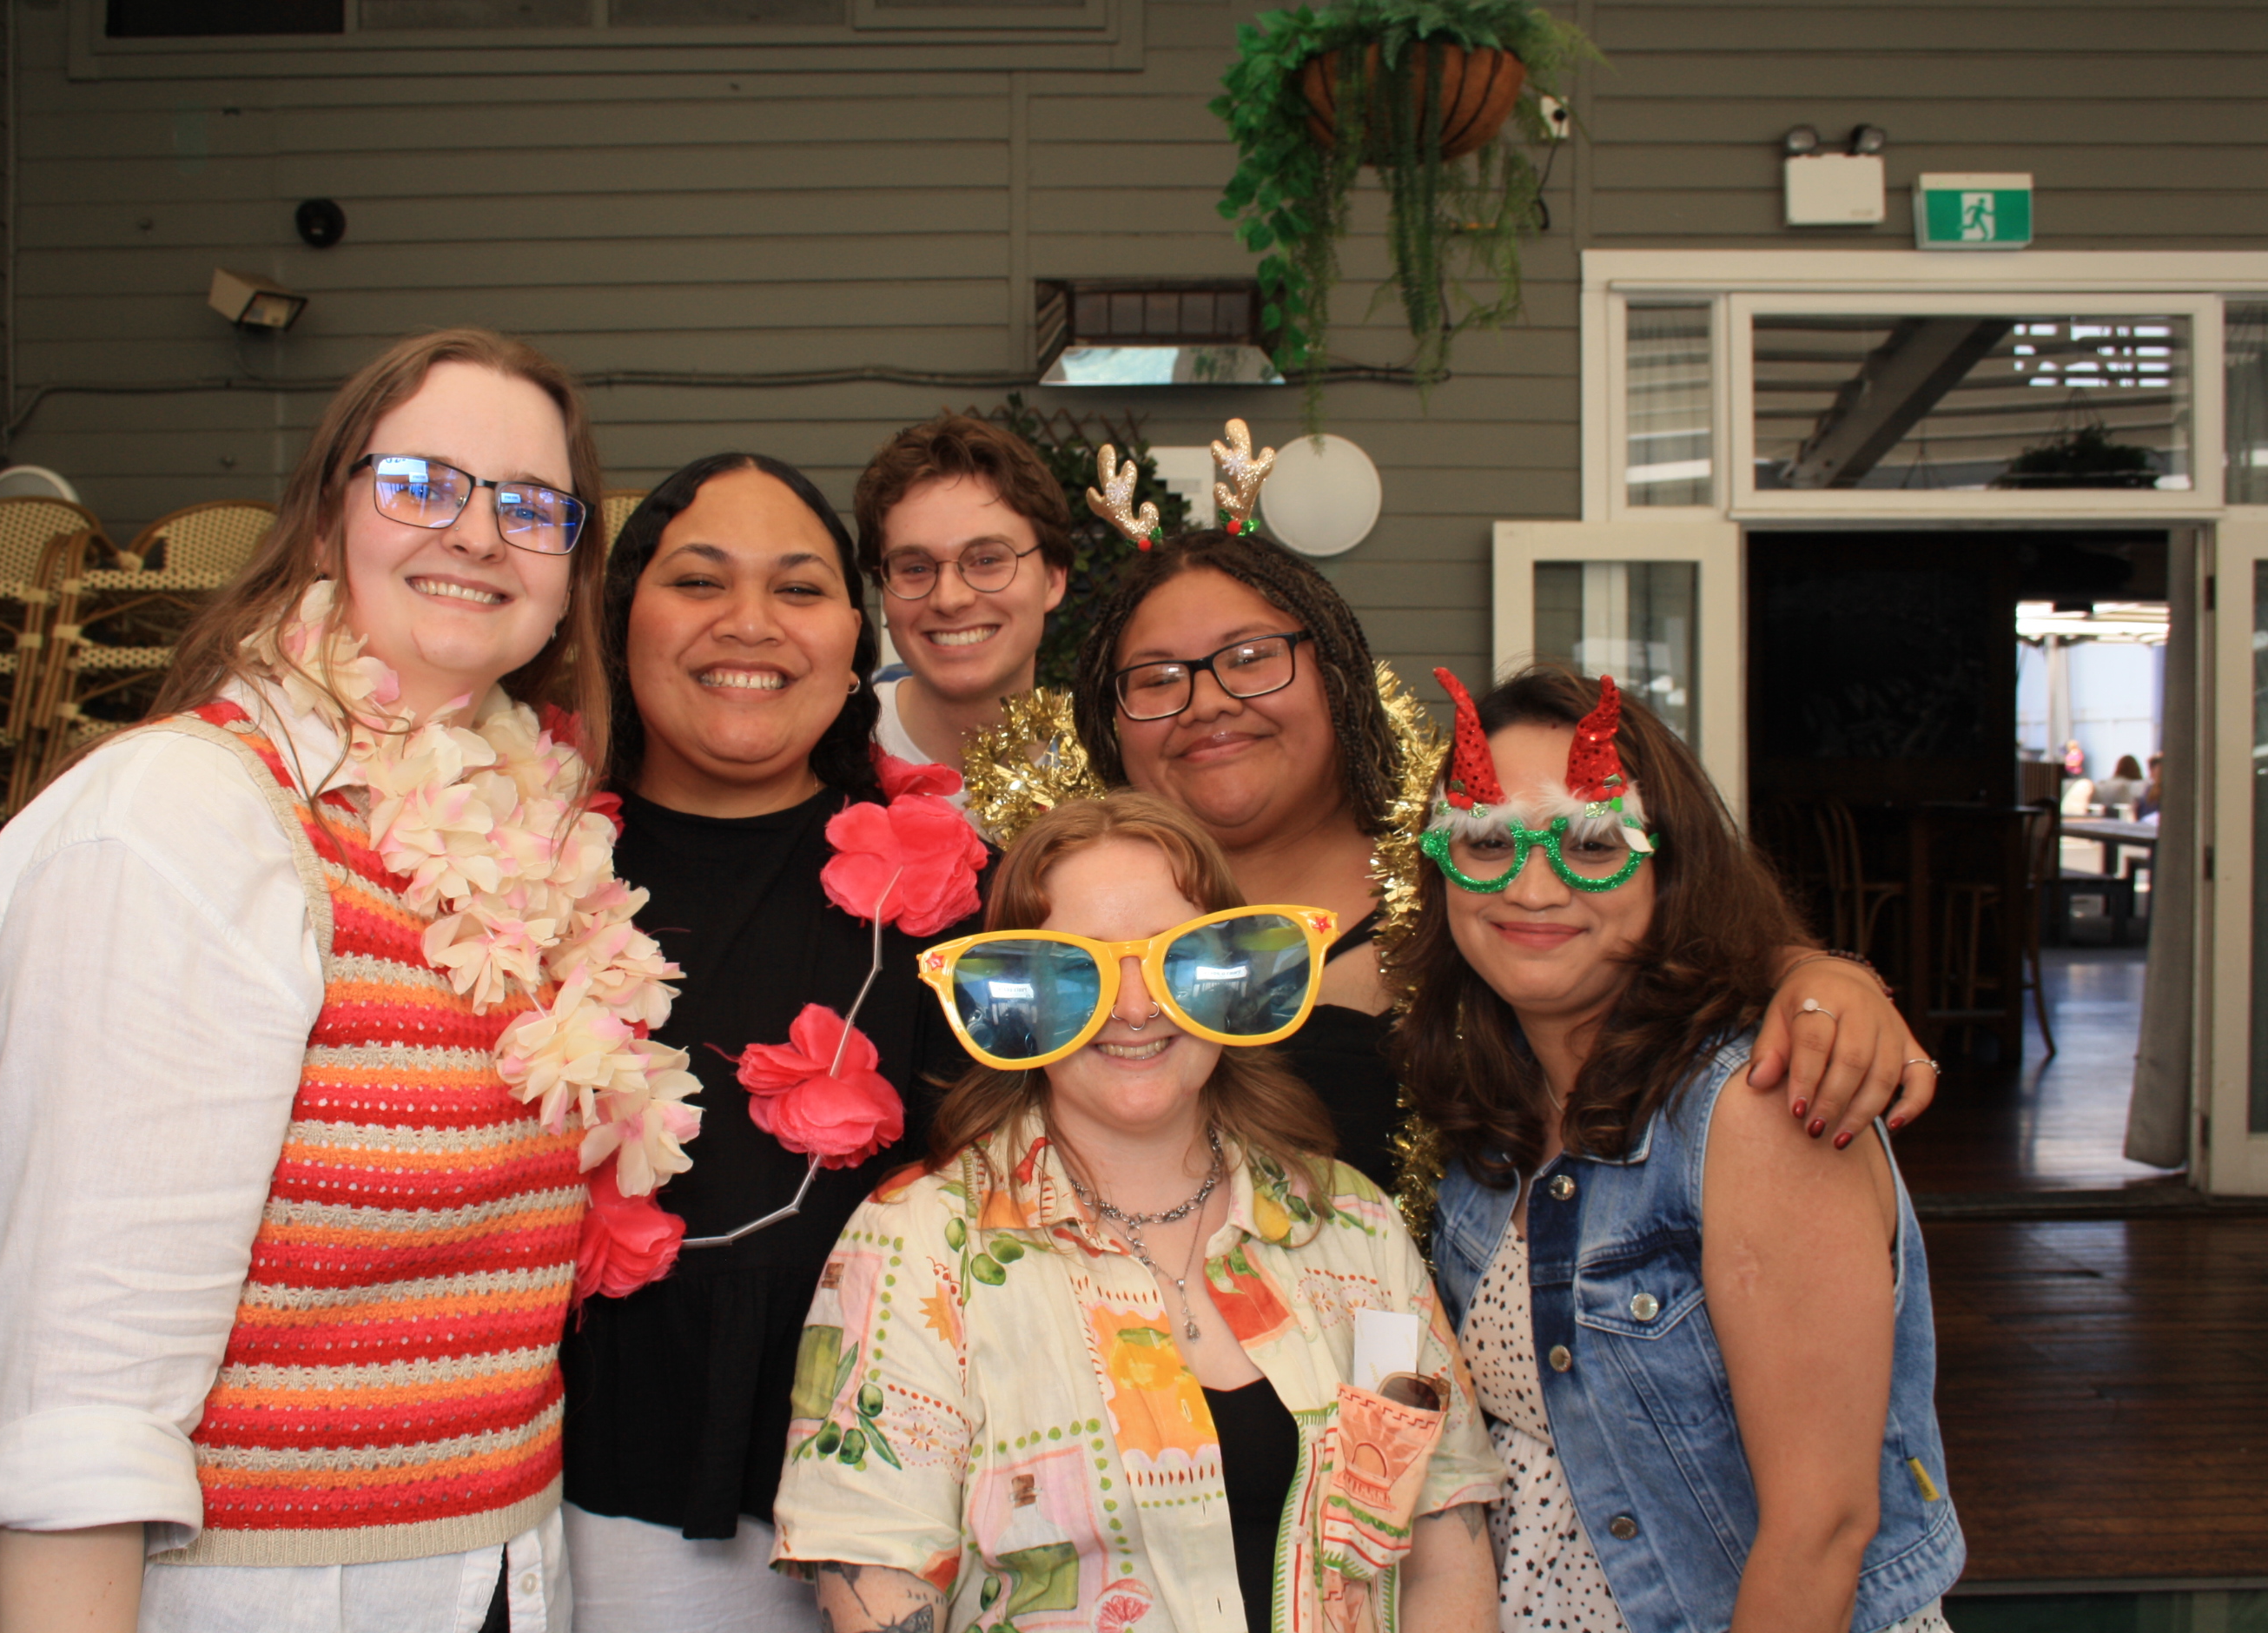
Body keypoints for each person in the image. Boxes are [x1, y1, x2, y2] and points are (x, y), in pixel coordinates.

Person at [0, 328, 629, 1633]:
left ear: (569, 576)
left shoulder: (537, 842)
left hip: (478, 1571)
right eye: (419, 485)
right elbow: (83, 1378)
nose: (478, 532)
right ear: (327, 522)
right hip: (225, 1595)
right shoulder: (184, 811)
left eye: (529, 506)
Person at [774, 793, 1505, 1633]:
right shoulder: (916, 1245)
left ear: (1232, 978)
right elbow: (880, 1591)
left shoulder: (1351, 1222)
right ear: (1018, 999)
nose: (1133, 1008)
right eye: (1076, 970)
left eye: (1178, 960)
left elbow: (1446, 1549)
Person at [1064, 519, 1935, 1188]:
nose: (1207, 701)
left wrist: (1816, 977)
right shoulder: (1073, 907)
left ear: (1336, 676)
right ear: (1110, 721)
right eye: (1155, 678)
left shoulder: (1474, 874)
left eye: (1252, 659)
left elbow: (1671, 941)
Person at [1398, 668, 1962, 1633]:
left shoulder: (1754, 1106)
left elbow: (1821, 1525)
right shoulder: (1498, 1116)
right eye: (1486, 840)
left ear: (1670, 863)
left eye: (1591, 842)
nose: (1532, 885)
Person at [557, 452, 991, 1632]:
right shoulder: (506, 864)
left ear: (855, 638)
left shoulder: (971, 900)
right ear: (620, 614)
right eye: (699, 582)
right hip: (540, 1510)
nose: (749, 624)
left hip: (890, 1523)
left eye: (799, 589)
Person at [854, 413, 1070, 818]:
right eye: (915, 567)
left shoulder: (1110, 773)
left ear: (1054, 580)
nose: (950, 598)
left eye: (987, 559)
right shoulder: (829, 753)